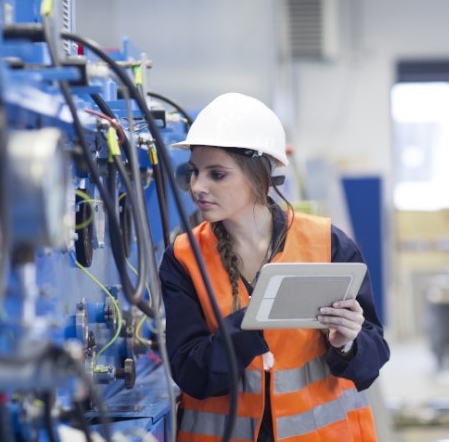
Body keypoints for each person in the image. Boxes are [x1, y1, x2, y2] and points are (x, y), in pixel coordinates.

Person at [159, 92, 390, 442]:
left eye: (216, 174)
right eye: (193, 172)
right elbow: (190, 373)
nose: (197, 187)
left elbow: (373, 359)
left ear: (261, 178)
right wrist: (249, 327)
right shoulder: (183, 257)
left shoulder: (327, 243)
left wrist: (348, 344)